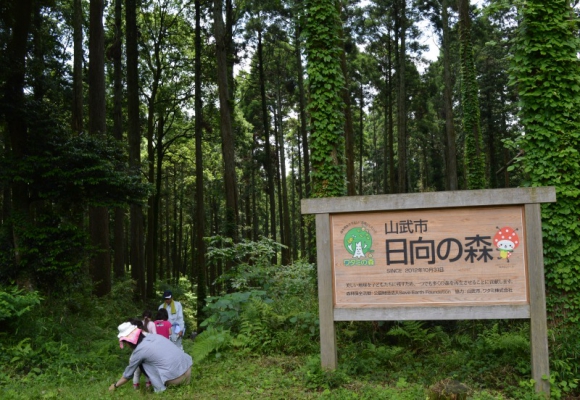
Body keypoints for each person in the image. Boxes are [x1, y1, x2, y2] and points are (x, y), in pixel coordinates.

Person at [109, 322, 192, 393]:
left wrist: (115, 386)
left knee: (143, 364)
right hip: (188, 371)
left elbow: (127, 375)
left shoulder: (139, 351)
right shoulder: (154, 337)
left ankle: (160, 389)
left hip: (176, 379)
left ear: (127, 342)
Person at [132, 311, 157, 389]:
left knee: (136, 373)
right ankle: (148, 387)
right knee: (147, 371)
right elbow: (155, 336)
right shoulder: (151, 326)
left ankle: (135, 389)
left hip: (137, 355)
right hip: (147, 354)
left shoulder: (136, 334)